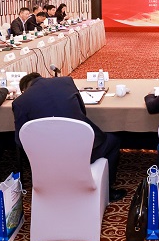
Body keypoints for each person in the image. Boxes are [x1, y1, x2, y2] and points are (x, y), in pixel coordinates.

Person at [13, 72, 126, 201]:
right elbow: (82, 111)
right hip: (84, 151)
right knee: (113, 141)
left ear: (24, 90)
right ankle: (108, 192)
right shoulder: (66, 81)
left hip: (48, 159)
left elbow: (20, 140)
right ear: (41, 78)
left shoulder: (19, 102)